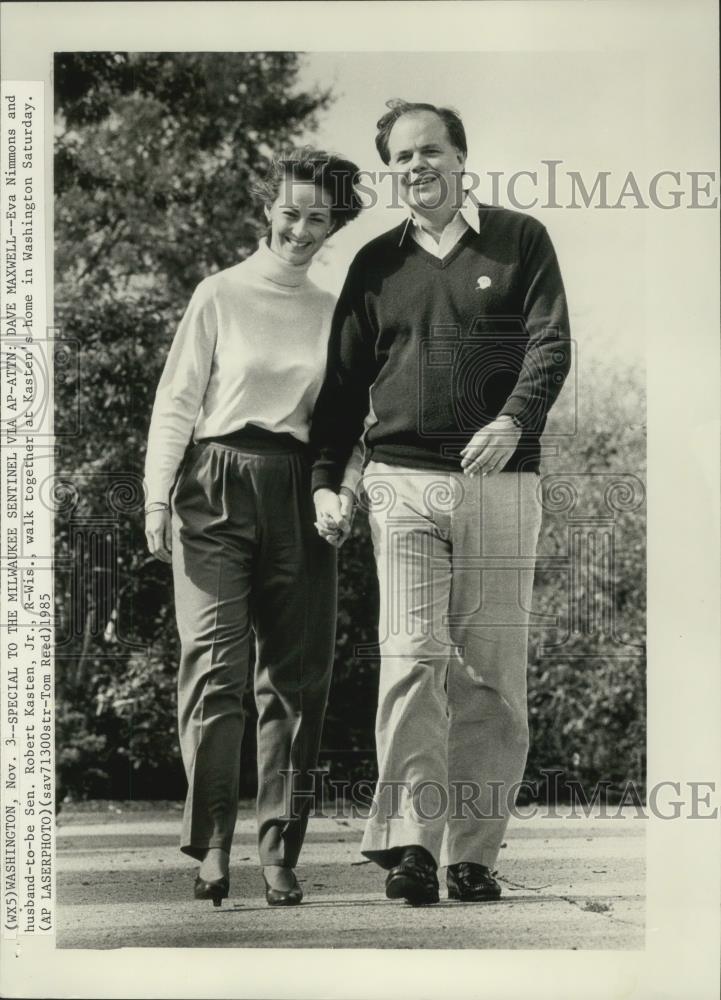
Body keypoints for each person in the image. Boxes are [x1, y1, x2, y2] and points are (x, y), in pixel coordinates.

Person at [310, 100, 571, 905]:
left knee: (488, 674)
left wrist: (511, 419)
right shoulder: (373, 266)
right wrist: (327, 478)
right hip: (400, 483)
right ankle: (414, 846)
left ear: (461, 157)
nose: (415, 167)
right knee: (410, 660)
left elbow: (550, 343)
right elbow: (344, 386)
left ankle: (473, 855)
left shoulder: (519, 239)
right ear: (391, 173)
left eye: (429, 152)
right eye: (400, 159)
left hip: (502, 481)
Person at [144, 147, 362, 907]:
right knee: (215, 673)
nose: (300, 229)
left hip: (300, 489)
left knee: (295, 683)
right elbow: (177, 400)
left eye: (317, 219)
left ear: (333, 225)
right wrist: (152, 497)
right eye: (290, 212)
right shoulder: (218, 293)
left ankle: (277, 851)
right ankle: (210, 846)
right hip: (213, 484)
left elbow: (344, 424)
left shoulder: (335, 309)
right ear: (267, 209)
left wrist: (340, 492)